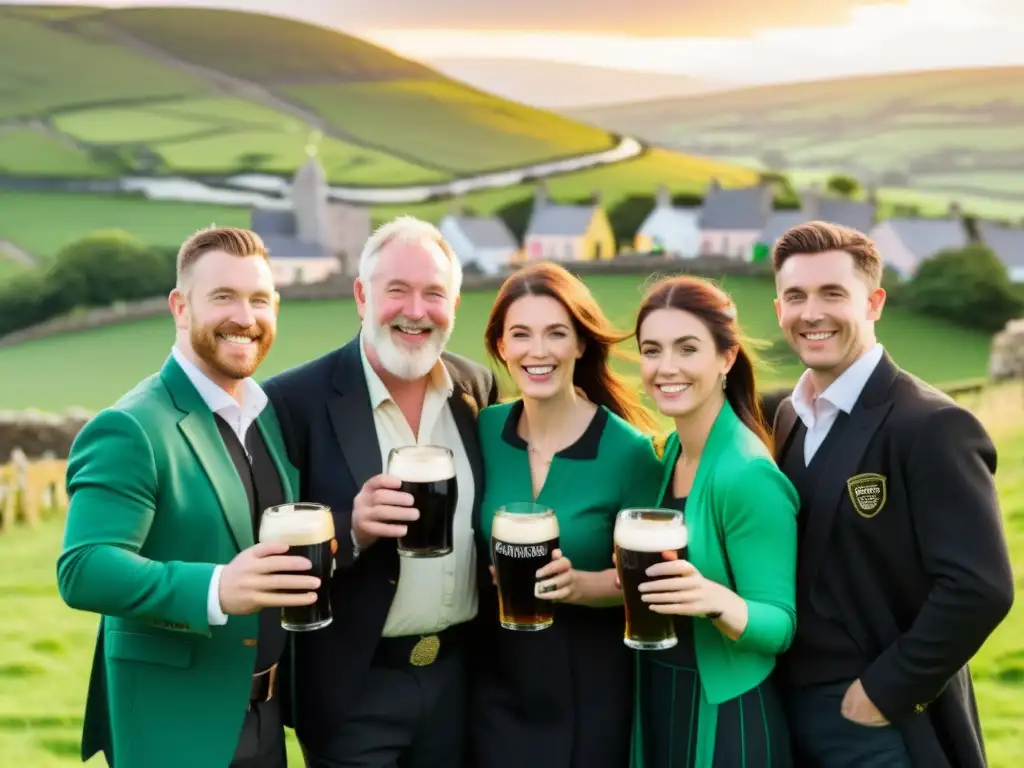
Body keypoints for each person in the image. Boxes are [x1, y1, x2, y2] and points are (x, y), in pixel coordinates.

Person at [56, 227, 319, 768]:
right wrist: (217, 588)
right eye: (223, 297)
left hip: (266, 723)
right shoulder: (130, 425)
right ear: (181, 307)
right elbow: (83, 568)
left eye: (259, 300)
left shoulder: (264, 416)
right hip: (174, 729)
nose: (245, 317)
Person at [769, 221, 1014, 767]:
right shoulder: (786, 415)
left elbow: (980, 587)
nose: (812, 312)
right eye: (796, 296)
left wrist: (885, 690)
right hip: (785, 710)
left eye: (833, 293)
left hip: (876, 723)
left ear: (874, 302)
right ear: (779, 308)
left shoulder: (933, 425)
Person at [262, 215, 498, 768]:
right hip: (353, 690)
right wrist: (349, 529)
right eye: (397, 291)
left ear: (454, 305)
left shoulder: (477, 388)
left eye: (434, 294)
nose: (416, 311)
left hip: (461, 682)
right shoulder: (293, 400)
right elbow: (263, 538)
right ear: (362, 297)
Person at [471, 261, 664, 768]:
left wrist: (582, 585)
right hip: (492, 680)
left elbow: (653, 579)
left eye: (557, 333)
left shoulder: (630, 453)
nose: (538, 351)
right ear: (501, 347)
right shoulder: (484, 431)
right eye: (521, 334)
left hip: (589, 687)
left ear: (581, 344)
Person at [626, 275, 798, 768]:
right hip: (661, 692)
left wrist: (713, 598)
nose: (666, 367)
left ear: (726, 358)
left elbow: (780, 625)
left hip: (725, 713)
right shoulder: (676, 450)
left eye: (687, 349)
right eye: (652, 350)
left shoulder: (747, 474)